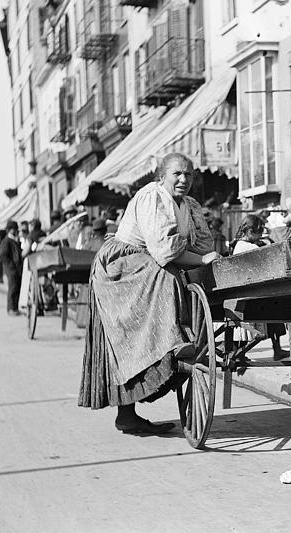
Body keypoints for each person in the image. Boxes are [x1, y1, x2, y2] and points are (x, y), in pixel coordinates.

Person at [78, 153, 220, 435]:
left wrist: (208, 258)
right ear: (162, 176)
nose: (183, 180)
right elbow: (164, 251)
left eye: (189, 175)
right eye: (177, 174)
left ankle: (172, 341)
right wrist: (202, 260)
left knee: (179, 277)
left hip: (149, 260)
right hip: (121, 265)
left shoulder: (190, 205)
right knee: (162, 281)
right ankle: (172, 342)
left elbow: (203, 243)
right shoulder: (150, 198)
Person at [230, 214, 290, 364]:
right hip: (249, 292)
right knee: (274, 305)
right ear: (250, 232)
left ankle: (275, 349)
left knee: (272, 303)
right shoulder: (249, 247)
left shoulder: (237, 244)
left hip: (245, 288)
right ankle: (276, 349)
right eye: (258, 233)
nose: (259, 237)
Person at [0, 221, 23, 316]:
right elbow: (2, 256)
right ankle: (11, 308)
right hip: (11, 269)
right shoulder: (6, 241)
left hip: (16, 268)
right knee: (12, 288)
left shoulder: (14, 240)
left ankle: (15, 308)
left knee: (16, 287)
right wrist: (11, 265)